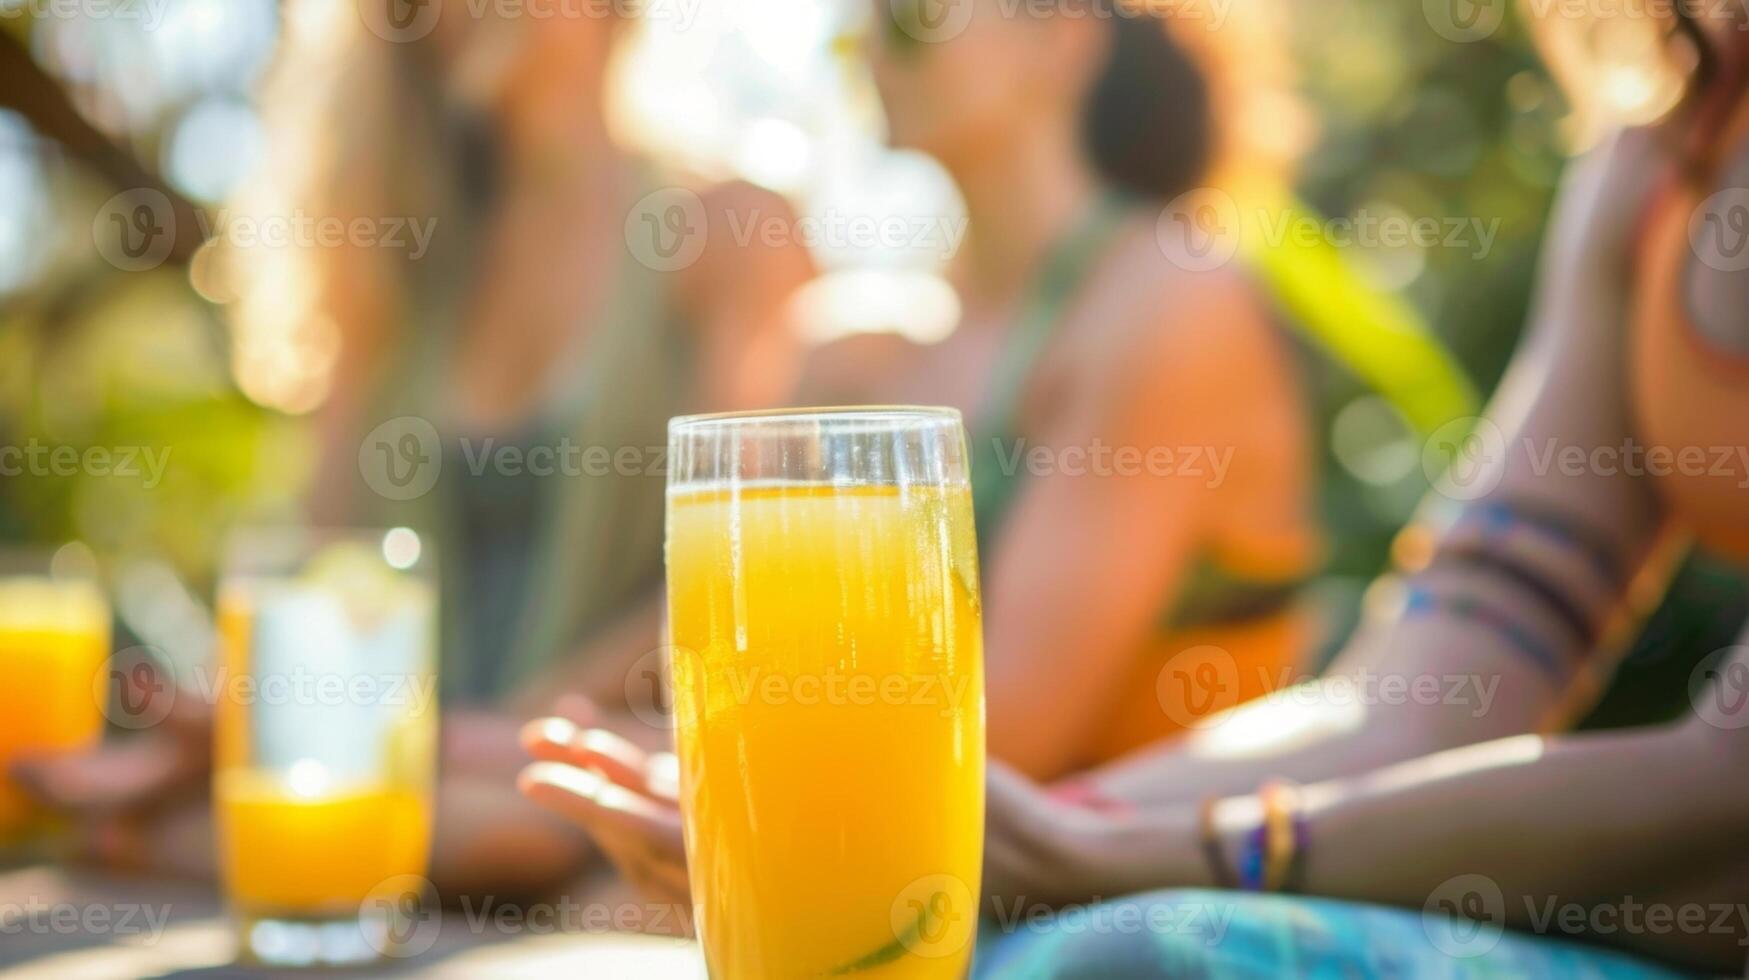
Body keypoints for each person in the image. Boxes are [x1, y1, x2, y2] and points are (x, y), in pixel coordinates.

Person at [519, 3, 1749, 975]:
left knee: (1112, 954)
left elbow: (1725, 796)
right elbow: (1426, 695)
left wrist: (1132, 855)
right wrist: (1046, 836)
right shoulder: (1663, 148)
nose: (865, 43)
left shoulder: (1163, 298)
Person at [16, 0, 812, 896]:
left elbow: (730, 591)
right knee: (470, 824)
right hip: (414, 768)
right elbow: (314, 568)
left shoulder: (733, 232)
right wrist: (241, 718)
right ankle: (197, 831)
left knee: (510, 828)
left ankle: (167, 836)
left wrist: (471, 737)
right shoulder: (398, 266)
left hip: (575, 764)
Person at [803, 0, 1470, 777]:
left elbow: (999, 731)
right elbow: (717, 627)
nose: (867, 48)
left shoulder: (1174, 299)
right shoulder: (873, 345)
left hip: (1130, 880)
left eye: (914, 18)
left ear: (1059, 41)